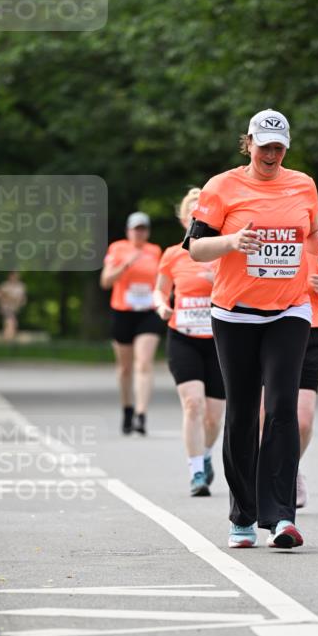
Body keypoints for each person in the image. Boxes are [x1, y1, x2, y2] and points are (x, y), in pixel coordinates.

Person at [185, 108, 318, 549]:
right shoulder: (222, 187)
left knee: (281, 410)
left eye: (278, 146)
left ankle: (282, 517)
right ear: (248, 143)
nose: (271, 153)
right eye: (263, 145)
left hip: (290, 310)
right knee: (241, 410)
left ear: (286, 148)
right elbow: (195, 247)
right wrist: (232, 242)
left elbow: (312, 232)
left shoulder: (303, 184)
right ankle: (243, 515)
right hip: (234, 313)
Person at [260, 233, 318, 508]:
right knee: (265, 416)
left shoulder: (317, 244)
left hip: (310, 334)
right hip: (268, 331)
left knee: (303, 420)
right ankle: (267, 473)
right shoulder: (270, 237)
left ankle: (289, 469)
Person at [153, 188, 225, 497]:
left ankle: (206, 454)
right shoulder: (172, 254)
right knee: (193, 403)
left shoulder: (224, 251)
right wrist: (161, 305)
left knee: (213, 415)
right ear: (185, 219)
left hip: (222, 340)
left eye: (203, 214)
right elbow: (159, 289)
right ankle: (196, 470)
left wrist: (218, 281)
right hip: (183, 336)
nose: (198, 219)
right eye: (193, 214)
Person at [100, 212, 164, 435]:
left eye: (143, 229)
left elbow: (163, 280)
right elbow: (105, 281)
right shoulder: (118, 249)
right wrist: (125, 266)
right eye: (136, 229)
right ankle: (127, 408)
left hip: (148, 312)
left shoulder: (155, 251)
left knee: (144, 362)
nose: (140, 233)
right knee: (125, 368)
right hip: (123, 312)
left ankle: (141, 414)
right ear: (128, 231)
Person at [0, 271, 26, 341]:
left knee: (12, 323)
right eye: (13, 276)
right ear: (10, 276)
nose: (15, 278)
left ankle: (8, 339)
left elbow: (22, 299)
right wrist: (4, 297)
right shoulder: (5, 285)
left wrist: (16, 301)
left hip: (14, 309)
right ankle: (8, 340)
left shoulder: (21, 286)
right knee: (10, 322)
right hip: (5, 308)